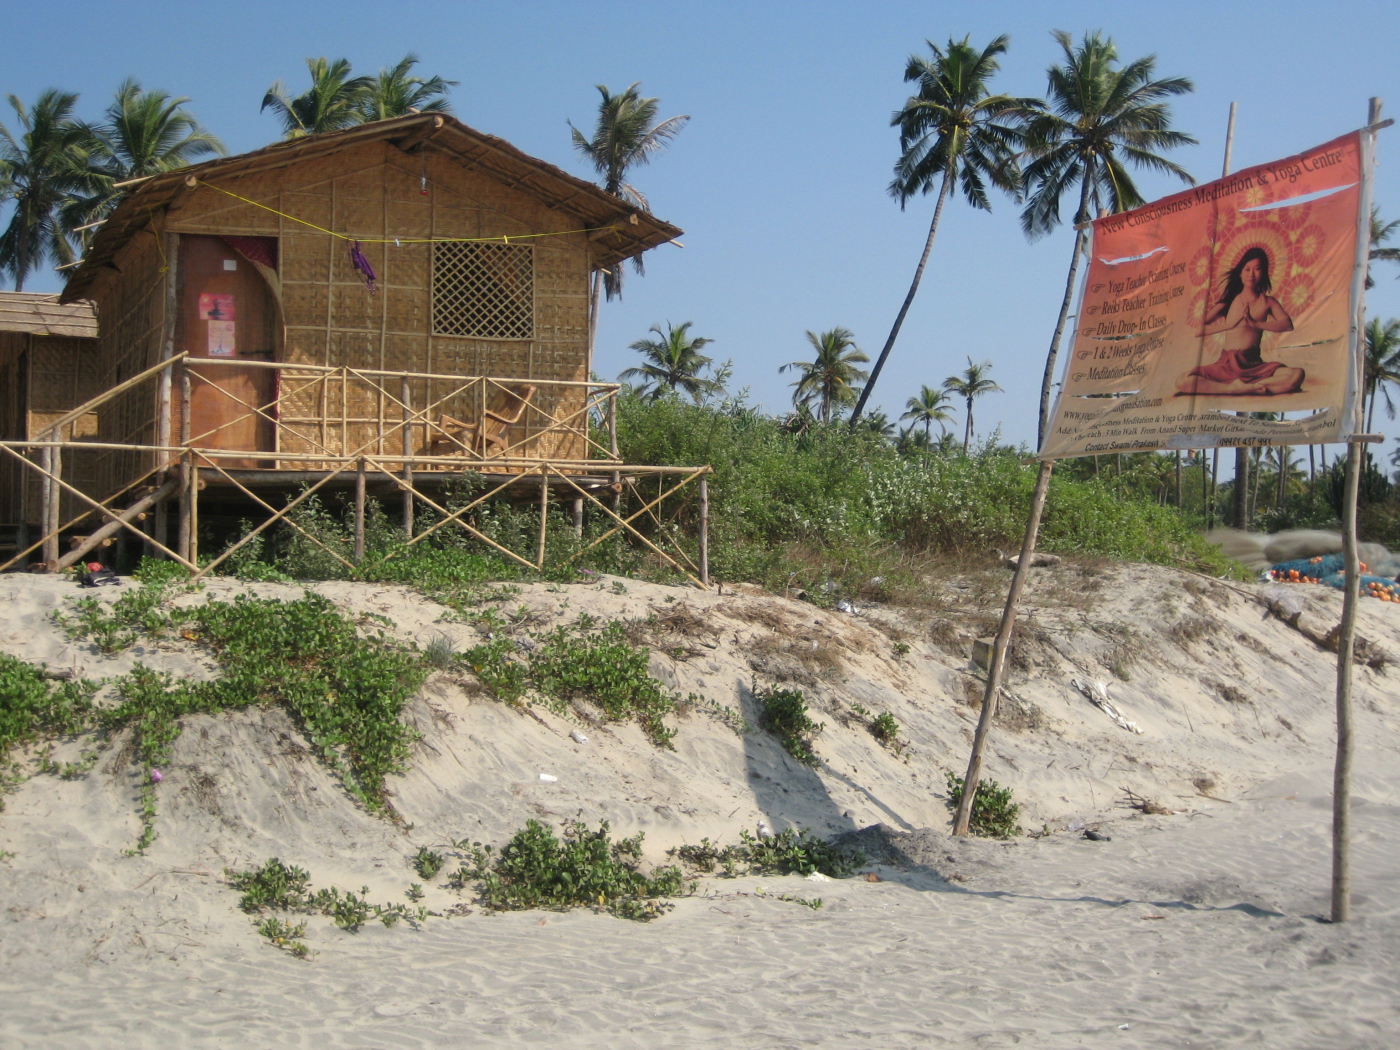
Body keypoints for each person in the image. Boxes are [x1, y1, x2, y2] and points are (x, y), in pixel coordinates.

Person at [1175, 246, 1301, 396]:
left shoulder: (1268, 302)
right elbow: (1199, 330)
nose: (1251, 275)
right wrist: (1229, 325)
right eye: (1247, 269)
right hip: (1226, 364)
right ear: (1240, 273)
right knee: (1182, 381)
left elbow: (1287, 325)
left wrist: (1256, 324)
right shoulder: (1228, 302)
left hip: (1253, 364)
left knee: (1296, 375)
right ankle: (1232, 388)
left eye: (1257, 269)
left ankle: (1250, 386)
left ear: (1264, 272)